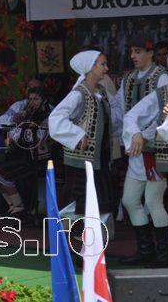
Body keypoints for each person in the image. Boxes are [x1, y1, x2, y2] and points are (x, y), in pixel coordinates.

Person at [48, 51, 122, 247]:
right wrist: (77, 134)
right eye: (102, 64)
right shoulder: (78, 94)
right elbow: (55, 119)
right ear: (90, 67)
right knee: (76, 205)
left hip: (100, 161)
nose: (106, 68)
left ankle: (89, 248)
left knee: (101, 204)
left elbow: (113, 121)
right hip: (80, 162)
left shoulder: (102, 93)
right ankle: (66, 245)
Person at [121, 50, 168, 267]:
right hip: (145, 154)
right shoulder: (162, 92)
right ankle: (146, 250)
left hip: (162, 157)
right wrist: (136, 134)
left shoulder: (162, 82)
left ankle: (164, 254)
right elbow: (132, 115)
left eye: (138, 51)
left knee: (152, 201)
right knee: (130, 200)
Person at [0, 86, 52, 221]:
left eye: (36, 99)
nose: (32, 102)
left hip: (35, 159)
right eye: (30, 99)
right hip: (20, 155)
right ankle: (17, 206)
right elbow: (10, 132)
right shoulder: (24, 113)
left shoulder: (47, 117)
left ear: (44, 100)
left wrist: (25, 125)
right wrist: (18, 120)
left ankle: (19, 208)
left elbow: (37, 139)